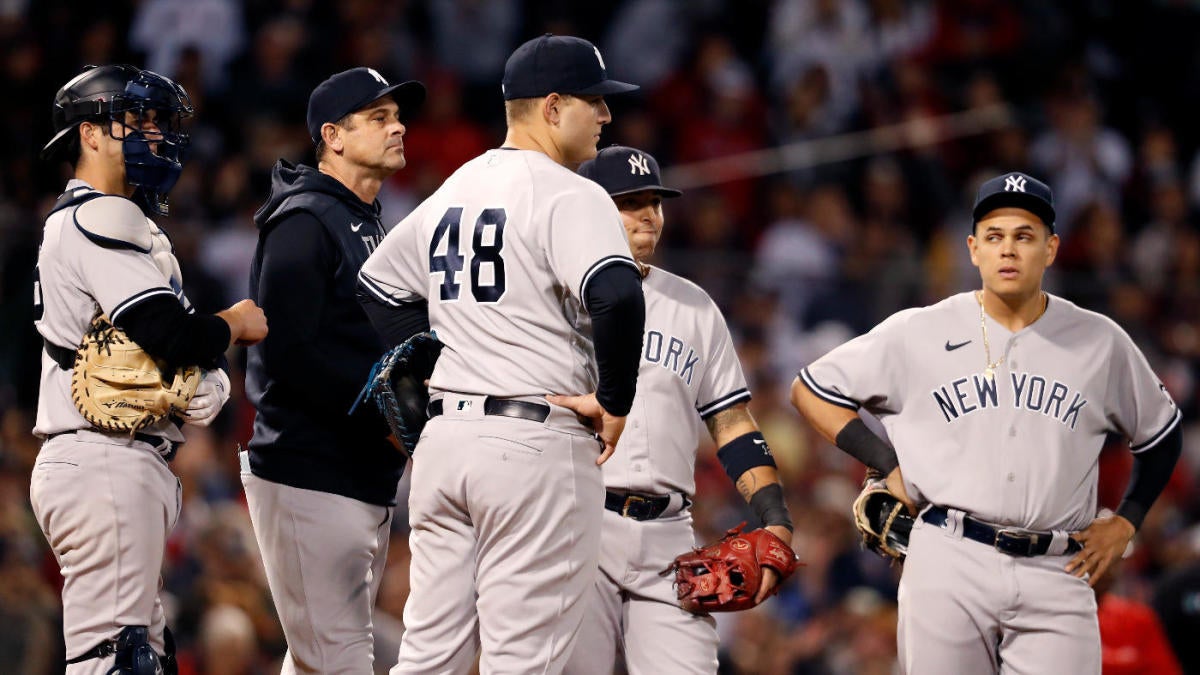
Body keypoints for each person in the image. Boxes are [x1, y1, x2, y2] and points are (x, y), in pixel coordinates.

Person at [791, 171, 1182, 674]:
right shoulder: (920, 329)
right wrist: (885, 462)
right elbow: (812, 389)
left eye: (1025, 237)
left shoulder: (1099, 340)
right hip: (949, 557)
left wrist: (1127, 522)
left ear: (1052, 248)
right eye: (995, 237)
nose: (1009, 251)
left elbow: (1163, 433)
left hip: (1058, 567)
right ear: (973, 249)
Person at [356, 34, 646, 674]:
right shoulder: (570, 192)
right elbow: (619, 296)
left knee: (428, 658)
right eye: (593, 102)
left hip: (446, 446)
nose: (605, 116)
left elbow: (377, 284)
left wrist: (447, 358)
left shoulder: (462, 183)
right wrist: (615, 399)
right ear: (551, 107)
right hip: (532, 446)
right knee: (524, 661)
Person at [30, 64, 268, 674]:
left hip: (112, 461)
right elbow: (175, 336)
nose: (154, 135)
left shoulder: (103, 221)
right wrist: (235, 323)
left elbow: (195, 371)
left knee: (142, 658)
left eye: (159, 123)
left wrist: (203, 361)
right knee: (115, 661)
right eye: (136, 120)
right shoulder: (101, 217)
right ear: (89, 134)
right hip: (103, 459)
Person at [565, 146, 795, 674]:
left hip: (668, 534)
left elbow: (732, 422)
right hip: (578, 521)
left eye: (655, 202)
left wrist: (775, 517)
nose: (649, 215)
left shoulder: (693, 306)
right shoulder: (554, 299)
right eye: (630, 202)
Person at [243, 67, 425, 674]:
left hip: (353, 472)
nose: (398, 126)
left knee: (317, 659)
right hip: (309, 469)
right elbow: (287, 352)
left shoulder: (365, 220)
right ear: (333, 136)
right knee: (339, 660)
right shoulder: (304, 220)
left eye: (398, 115)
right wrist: (383, 415)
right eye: (378, 117)